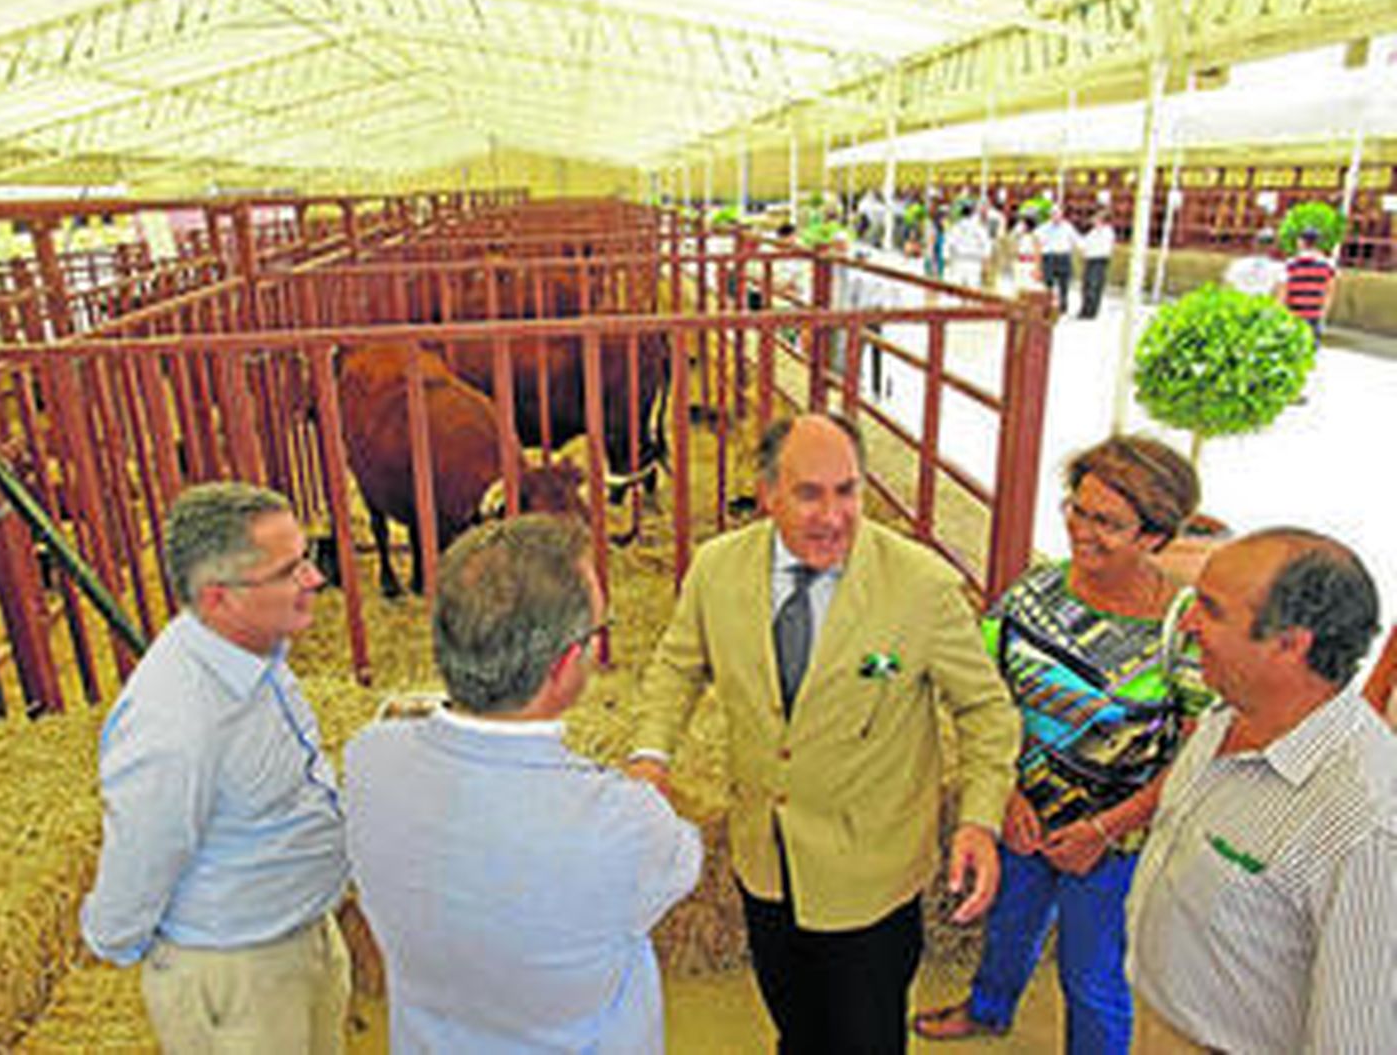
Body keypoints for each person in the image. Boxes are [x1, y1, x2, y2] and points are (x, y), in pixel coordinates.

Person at [628, 413, 1021, 1054]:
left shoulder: (921, 586)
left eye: (848, 491)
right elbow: (677, 667)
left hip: (871, 875)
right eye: (810, 493)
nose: (833, 515)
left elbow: (986, 712)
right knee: (797, 1028)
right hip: (765, 860)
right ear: (767, 493)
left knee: (865, 1039)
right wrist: (650, 754)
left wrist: (979, 819)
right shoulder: (716, 570)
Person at [344, 515, 702, 1054]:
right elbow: (681, 859)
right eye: (596, 633)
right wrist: (646, 778)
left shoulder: (369, 759)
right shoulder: (623, 824)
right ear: (563, 667)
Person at [912, 436, 1211, 1055]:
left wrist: (1105, 830)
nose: (1083, 531)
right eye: (1077, 509)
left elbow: (1198, 755)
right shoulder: (1030, 594)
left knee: (1094, 977)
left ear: (1154, 537)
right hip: (1026, 816)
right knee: (1009, 927)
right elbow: (986, 696)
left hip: (1115, 843)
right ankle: (989, 1009)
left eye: (1108, 523)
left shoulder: (1179, 630)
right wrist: (1008, 791)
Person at [80, 482, 351, 1052]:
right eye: (289, 571)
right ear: (217, 599)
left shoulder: (255, 650)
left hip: (301, 934)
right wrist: (140, 952)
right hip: (238, 975)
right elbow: (142, 856)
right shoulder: (175, 722)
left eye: (306, 558)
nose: (314, 579)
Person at [1126, 528, 1395, 1055]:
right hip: (1158, 1024)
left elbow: (1356, 1041)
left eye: (1211, 609)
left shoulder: (1367, 825)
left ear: (1291, 644)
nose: (1187, 623)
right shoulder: (1225, 713)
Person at [1283, 226, 1337, 340]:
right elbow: (1330, 292)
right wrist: (1323, 314)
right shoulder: (1327, 266)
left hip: (1294, 313)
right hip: (1314, 313)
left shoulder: (1291, 264)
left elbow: (1285, 290)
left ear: (1302, 242)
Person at [1038, 207, 1082, 316]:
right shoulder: (1044, 227)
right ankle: (1046, 305)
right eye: (1053, 214)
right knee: (1048, 282)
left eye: (1058, 214)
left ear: (1062, 216)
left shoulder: (1068, 227)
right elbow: (1036, 238)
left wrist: (1082, 249)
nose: (1056, 217)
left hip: (1063, 256)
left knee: (1064, 283)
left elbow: (1076, 239)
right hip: (1049, 256)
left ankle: (1063, 307)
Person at [1224, 228, 1286, 300]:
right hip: (1262, 307)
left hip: (1238, 305)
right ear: (1274, 245)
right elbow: (1281, 294)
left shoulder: (1238, 263)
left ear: (1255, 243)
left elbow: (1226, 287)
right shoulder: (1279, 267)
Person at [945, 199, 993, 289]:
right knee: (973, 292)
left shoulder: (956, 226)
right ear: (973, 211)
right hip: (974, 263)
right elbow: (987, 245)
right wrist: (986, 262)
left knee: (957, 291)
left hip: (959, 261)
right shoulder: (979, 227)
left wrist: (947, 260)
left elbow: (948, 244)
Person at [1078, 210, 1116, 319]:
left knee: (1094, 285)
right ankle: (1084, 309)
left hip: (1099, 260)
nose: (1094, 221)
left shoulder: (1107, 232)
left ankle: (1091, 311)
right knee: (1086, 285)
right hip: (1089, 260)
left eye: (1096, 219)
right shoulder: (1093, 232)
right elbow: (1084, 243)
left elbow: (1102, 248)